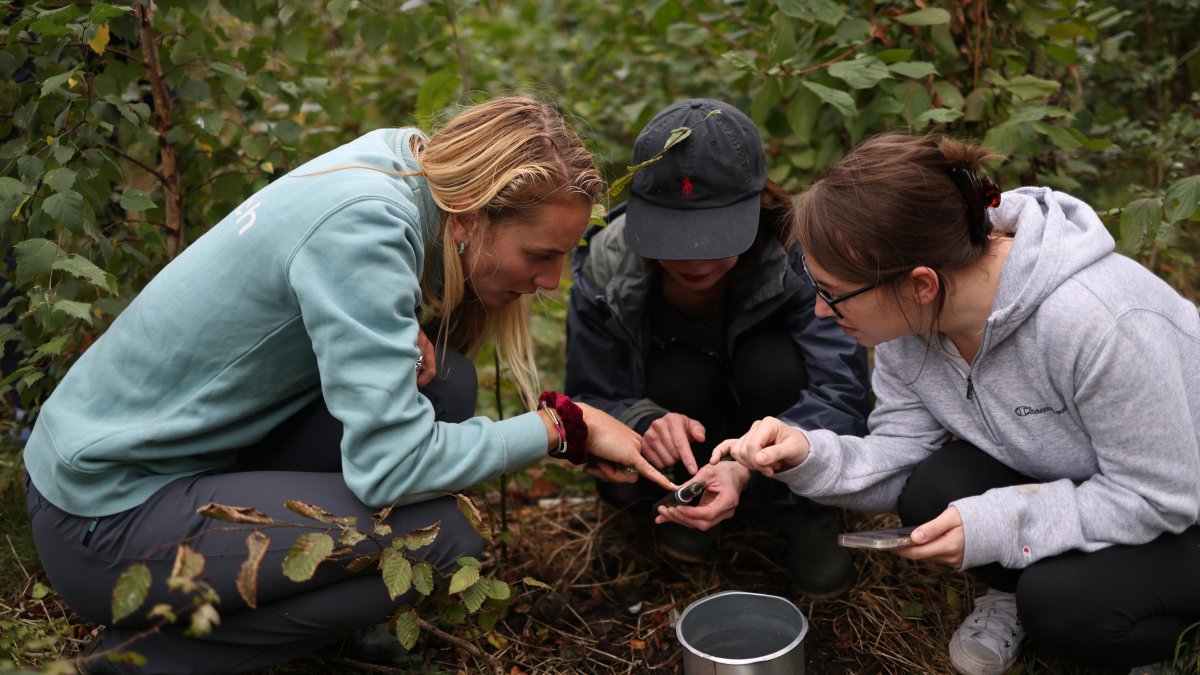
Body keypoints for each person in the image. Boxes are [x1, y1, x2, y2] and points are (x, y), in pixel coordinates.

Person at [22, 96, 675, 675]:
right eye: (538, 254)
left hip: (172, 465)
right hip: (102, 519)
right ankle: (139, 661)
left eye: (564, 254)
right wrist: (561, 427)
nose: (553, 281)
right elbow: (390, 470)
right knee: (441, 537)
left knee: (444, 387)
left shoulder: (407, 165)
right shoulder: (365, 226)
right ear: (472, 216)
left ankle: (313, 618)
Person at [684, 133, 1200, 674]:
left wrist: (1000, 524)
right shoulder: (911, 328)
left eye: (833, 292)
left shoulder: (1100, 324)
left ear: (921, 284)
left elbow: (1159, 496)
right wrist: (805, 455)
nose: (817, 310)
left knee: (1062, 603)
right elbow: (901, 455)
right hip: (1088, 486)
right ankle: (1020, 584)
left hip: (1179, 516)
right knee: (933, 488)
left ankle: (1163, 642)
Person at [565, 99, 871, 597]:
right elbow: (587, 397)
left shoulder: (801, 255)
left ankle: (805, 510)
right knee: (679, 377)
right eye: (673, 235)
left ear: (754, 207)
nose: (694, 256)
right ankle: (684, 501)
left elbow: (843, 394)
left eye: (713, 234)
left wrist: (748, 465)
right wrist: (642, 422)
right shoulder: (609, 263)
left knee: (770, 364)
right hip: (677, 442)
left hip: (774, 435)